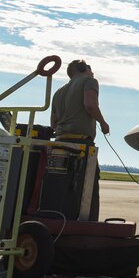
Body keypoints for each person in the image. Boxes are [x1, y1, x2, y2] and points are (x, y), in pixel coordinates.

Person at [50, 59, 109, 220]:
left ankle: (60, 220)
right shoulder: (90, 82)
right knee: (87, 189)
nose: (92, 72)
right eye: (90, 68)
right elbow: (90, 105)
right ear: (83, 68)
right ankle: (88, 225)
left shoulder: (58, 92)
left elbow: (53, 123)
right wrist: (102, 123)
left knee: (61, 187)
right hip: (81, 145)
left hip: (60, 143)